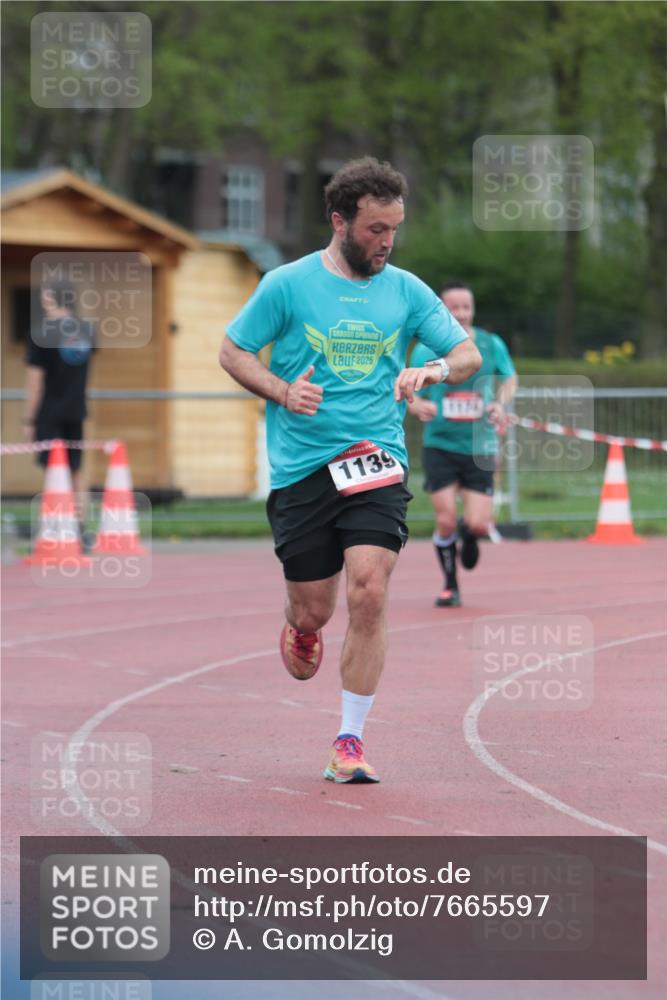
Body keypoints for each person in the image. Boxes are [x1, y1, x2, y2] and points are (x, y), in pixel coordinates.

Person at [219, 158, 481, 784]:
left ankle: (350, 740)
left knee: (370, 588)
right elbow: (232, 350)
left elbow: (466, 354)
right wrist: (282, 391)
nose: (387, 242)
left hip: (375, 459)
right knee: (314, 610)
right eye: (374, 230)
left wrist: (433, 370)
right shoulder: (287, 284)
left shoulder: (407, 289)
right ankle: (300, 627)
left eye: (394, 229)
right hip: (303, 467)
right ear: (340, 222)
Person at [408, 282, 517, 607]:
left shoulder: (489, 343)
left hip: (479, 445)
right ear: (442, 310)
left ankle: (470, 535)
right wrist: (416, 406)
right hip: (440, 444)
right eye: (453, 308)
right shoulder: (427, 348)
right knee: (444, 520)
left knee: (478, 523)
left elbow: (509, 378)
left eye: (466, 307)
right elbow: (409, 391)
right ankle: (449, 584)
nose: (461, 314)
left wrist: (500, 404)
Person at [23, 280, 95, 519]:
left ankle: (55, 528)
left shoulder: (41, 333)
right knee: (75, 471)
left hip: (49, 412)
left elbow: (35, 381)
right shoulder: (87, 330)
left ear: (52, 298)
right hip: (76, 410)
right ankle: (81, 529)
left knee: (53, 471)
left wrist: (29, 419)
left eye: (45, 296)